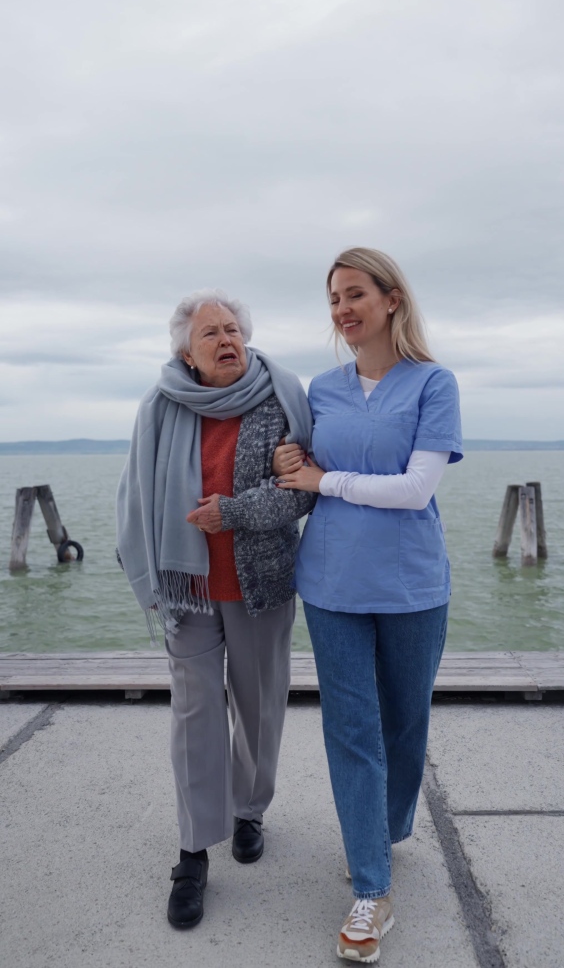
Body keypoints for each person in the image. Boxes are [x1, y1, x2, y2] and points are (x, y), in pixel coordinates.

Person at [275, 248, 462, 964]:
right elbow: (296, 460)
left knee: (404, 721)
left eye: (355, 293)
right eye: (333, 299)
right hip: (330, 583)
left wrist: (326, 480)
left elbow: (415, 488)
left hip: (413, 584)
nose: (342, 309)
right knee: (352, 729)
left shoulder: (433, 383)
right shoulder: (320, 387)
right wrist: (293, 466)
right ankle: (371, 885)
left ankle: (385, 829)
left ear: (390, 299)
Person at [116, 288, 315, 930]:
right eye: (212, 333)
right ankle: (193, 849)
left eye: (233, 328)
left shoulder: (281, 395)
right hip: (188, 588)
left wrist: (230, 512)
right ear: (187, 351)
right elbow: (135, 496)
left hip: (260, 584)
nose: (227, 339)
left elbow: (299, 494)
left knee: (258, 709)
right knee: (195, 715)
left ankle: (249, 811)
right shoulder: (161, 404)